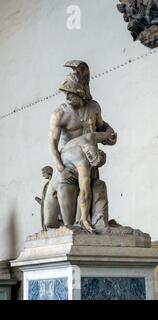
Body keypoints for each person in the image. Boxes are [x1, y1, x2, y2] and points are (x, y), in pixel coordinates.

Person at [44, 61, 117, 230]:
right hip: (67, 165)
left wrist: (111, 135)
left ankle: (88, 223)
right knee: (55, 223)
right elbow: (52, 144)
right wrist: (61, 168)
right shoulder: (60, 113)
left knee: (87, 199)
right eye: (66, 93)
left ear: (81, 92)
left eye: (71, 93)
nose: (67, 97)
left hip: (87, 159)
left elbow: (102, 128)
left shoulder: (93, 107)